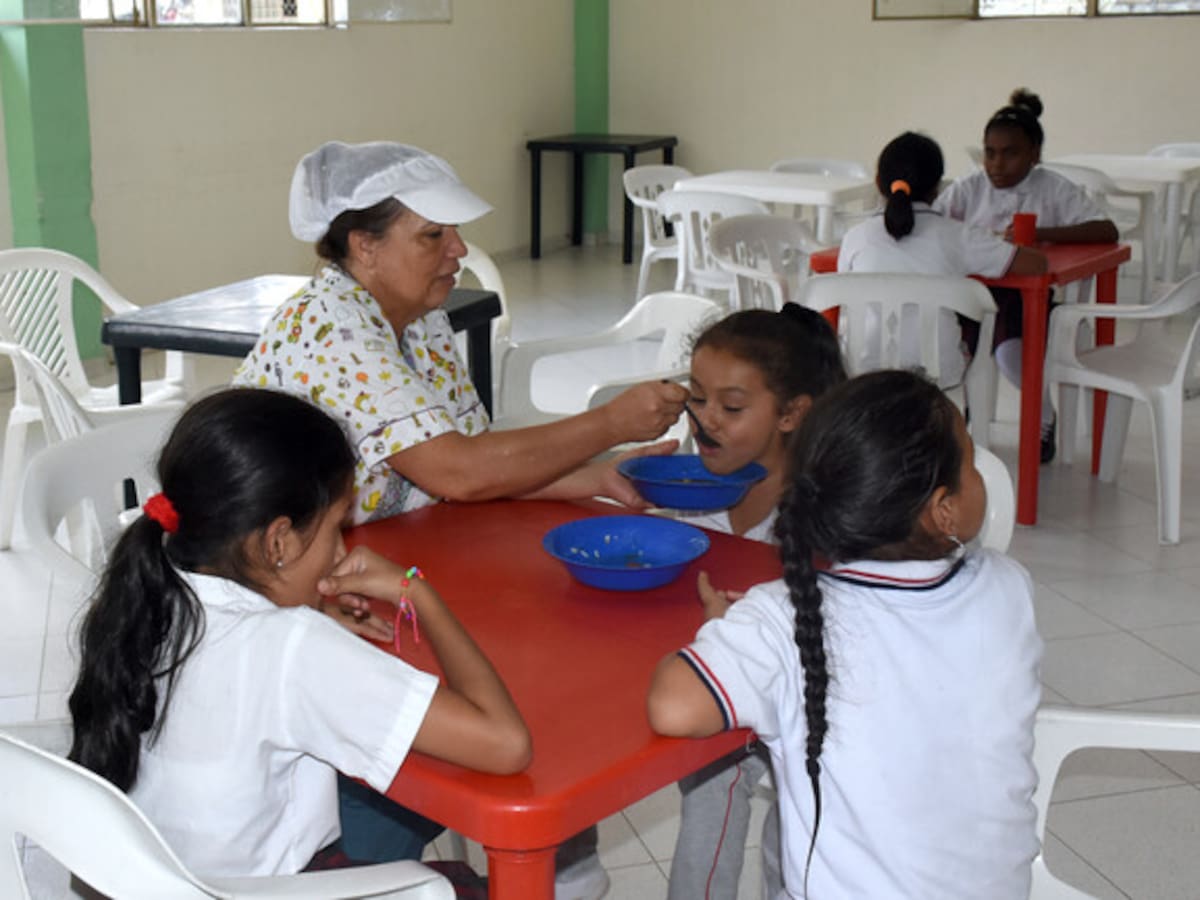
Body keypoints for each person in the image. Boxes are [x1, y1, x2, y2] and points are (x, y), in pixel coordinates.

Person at [67, 387, 531, 880]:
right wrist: (417, 593)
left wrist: (304, 610)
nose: (339, 552)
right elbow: (505, 744)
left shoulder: (147, 596)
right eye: (336, 528)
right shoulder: (294, 647)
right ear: (278, 542)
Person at [647, 370, 1043, 899]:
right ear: (943, 510)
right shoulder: (1007, 587)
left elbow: (674, 707)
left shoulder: (784, 621)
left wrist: (728, 631)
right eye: (971, 463)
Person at [233, 140, 687, 527]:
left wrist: (598, 474)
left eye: (455, 231)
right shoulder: (332, 328)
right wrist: (610, 423)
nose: (460, 249)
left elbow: (479, 462)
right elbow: (459, 472)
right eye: (433, 236)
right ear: (365, 246)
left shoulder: (422, 319)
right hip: (271, 565)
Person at [667, 304, 846, 900]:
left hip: (823, 706)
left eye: (732, 407)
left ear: (793, 413)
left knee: (773, 805)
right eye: (696, 397)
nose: (705, 420)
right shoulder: (692, 488)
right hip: (727, 681)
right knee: (711, 772)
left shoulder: (829, 509)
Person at [935, 89, 1118, 460]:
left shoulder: (1052, 188)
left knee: (1010, 355)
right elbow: (936, 224)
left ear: (1034, 155)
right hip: (971, 294)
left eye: (1010, 153)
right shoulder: (970, 188)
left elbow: (1106, 230)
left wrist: (1043, 233)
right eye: (990, 153)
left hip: (1026, 298)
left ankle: (1042, 417)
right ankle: (967, 421)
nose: (997, 164)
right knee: (958, 352)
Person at [839, 131, 1046, 389]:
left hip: (862, 367)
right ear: (937, 188)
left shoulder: (855, 238)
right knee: (973, 329)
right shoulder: (959, 235)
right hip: (938, 371)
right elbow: (1037, 264)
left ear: (879, 182)